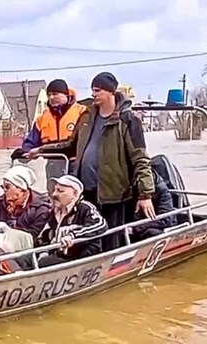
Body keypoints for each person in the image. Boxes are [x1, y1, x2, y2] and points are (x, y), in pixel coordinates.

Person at [29, 71, 155, 251]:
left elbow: (140, 158)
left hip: (114, 193)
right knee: (86, 239)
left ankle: (115, 269)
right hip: (86, 191)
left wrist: (145, 195)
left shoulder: (128, 121)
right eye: (93, 90)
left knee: (111, 241)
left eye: (98, 90)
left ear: (111, 92)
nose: (94, 94)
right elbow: (70, 146)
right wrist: (41, 150)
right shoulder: (87, 117)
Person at [36, 175, 107, 267]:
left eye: (60, 191)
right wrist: (43, 251)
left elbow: (101, 225)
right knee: (24, 258)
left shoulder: (85, 208)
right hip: (58, 254)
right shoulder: (55, 211)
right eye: (55, 190)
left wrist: (73, 235)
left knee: (43, 263)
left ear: (74, 195)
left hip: (80, 259)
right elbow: (45, 236)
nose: (54, 194)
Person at [12, 79, 87, 160]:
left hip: (76, 163)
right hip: (52, 164)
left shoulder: (82, 113)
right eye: (49, 95)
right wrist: (24, 152)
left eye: (55, 94)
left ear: (66, 95)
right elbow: (31, 142)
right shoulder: (41, 119)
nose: (51, 97)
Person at [0, 165, 51, 242]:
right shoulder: (0, 202)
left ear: (21, 188)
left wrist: (10, 232)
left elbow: (32, 236)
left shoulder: (41, 207)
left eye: (7, 187)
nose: (4, 190)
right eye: (2, 187)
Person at [130, 171, 175, 241]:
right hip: (139, 226)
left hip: (158, 228)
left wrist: (136, 228)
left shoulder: (161, 190)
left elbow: (166, 219)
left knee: (151, 233)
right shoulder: (131, 190)